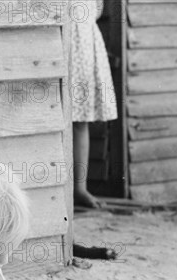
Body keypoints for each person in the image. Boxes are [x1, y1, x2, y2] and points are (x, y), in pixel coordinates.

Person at [71, 0, 118, 208]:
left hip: (85, 46)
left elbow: (97, 10)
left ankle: (79, 189)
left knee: (81, 121)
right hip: (61, 41)